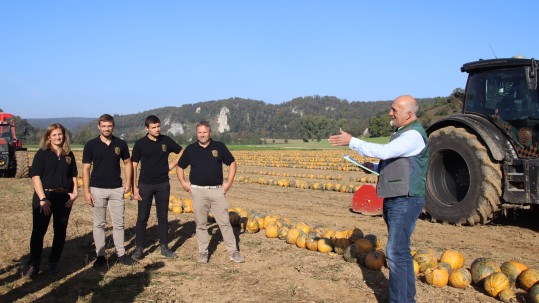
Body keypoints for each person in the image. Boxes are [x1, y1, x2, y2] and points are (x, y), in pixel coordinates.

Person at [329, 95, 429, 303]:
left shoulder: (413, 135)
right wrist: (372, 168)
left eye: (394, 110)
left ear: (408, 114)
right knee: (400, 251)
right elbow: (396, 164)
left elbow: (386, 152)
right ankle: (406, 298)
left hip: (405, 199)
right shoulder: (403, 133)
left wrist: (352, 142)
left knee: (395, 251)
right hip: (397, 198)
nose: (390, 113)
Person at [176, 121, 244, 264]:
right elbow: (180, 167)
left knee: (225, 222)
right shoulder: (190, 149)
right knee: (201, 224)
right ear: (197, 134)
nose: (202, 135)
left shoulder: (219, 147)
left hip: (217, 191)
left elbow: (232, 163)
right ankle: (203, 252)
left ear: (210, 133)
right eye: (199, 132)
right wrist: (184, 183)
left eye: (204, 132)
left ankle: (233, 251)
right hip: (198, 192)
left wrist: (228, 183)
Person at [82, 114, 136, 268]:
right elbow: (86, 168)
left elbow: (127, 163)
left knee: (119, 224)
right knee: (99, 224)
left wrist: (128, 182)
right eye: (104, 126)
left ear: (113, 126)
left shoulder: (121, 144)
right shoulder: (91, 145)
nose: (106, 128)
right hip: (97, 189)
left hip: (116, 189)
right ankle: (100, 256)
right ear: (99, 126)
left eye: (109, 126)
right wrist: (86, 191)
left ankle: (121, 254)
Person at [26, 123, 79, 278]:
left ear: (64, 135)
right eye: (54, 134)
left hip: (63, 198)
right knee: (39, 232)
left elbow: (74, 175)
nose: (58, 137)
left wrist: (75, 193)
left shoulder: (69, 154)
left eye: (60, 134)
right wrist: (42, 198)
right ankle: (34, 264)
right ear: (48, 137)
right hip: (45, 197)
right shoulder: (42, 154)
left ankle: (54, 261)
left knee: (60, 232)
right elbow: (36, 177)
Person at [131, 115, 182, 260]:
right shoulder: (140, 144)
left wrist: (171, 165)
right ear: (147, 128)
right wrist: (134, 187)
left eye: (158, 126)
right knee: (142, 217)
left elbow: (181, 151)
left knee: (163, 217)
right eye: (153, 127)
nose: (157, 129)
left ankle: (164, 247)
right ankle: (139, 248)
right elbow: (134, 165)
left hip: (162, 184)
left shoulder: (166, 140)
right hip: (145, 185)